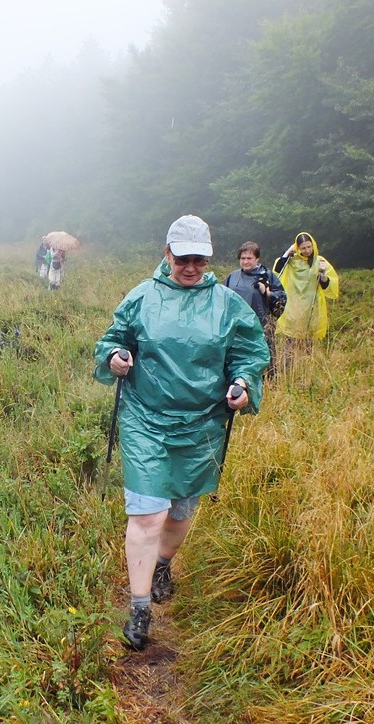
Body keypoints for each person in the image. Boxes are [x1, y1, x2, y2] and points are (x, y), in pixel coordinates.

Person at [93, 214, 270, 651]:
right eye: (182, 259)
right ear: (167, 253)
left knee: (180, 512)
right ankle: (139, 608)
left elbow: (250, 353)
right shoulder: (142, 297)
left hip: (202, 423)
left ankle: (162, 564)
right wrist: (115, 355)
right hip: (146, 419)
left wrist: (242, 384)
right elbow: (114, 339)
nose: (190, 267)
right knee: (147, 514)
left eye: (199, 260)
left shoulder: (227, 304)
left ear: (209, 258)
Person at [272, 232, 339, 364]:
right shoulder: (292, 261)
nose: (307, 250)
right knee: (290, 344)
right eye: (303, 248)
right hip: (293, 309)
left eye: (309, 247)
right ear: (298, 248)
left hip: (311, 309)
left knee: (308, 344)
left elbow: (328, 285)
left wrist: (323, 274)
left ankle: (305, 369)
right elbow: (277, 270)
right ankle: (288, 370)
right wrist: (288, 251)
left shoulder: (319, 261)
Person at [224, 241, 286, 379]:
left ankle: (269, 384)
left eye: (249, 258)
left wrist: (268, 293)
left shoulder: (267, 276)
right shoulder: (232, 277)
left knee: (264, 359)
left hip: (260, 327)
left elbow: (282, 298)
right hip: (236, 328)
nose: (245, 262)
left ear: (257, 259)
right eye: (243, 258)